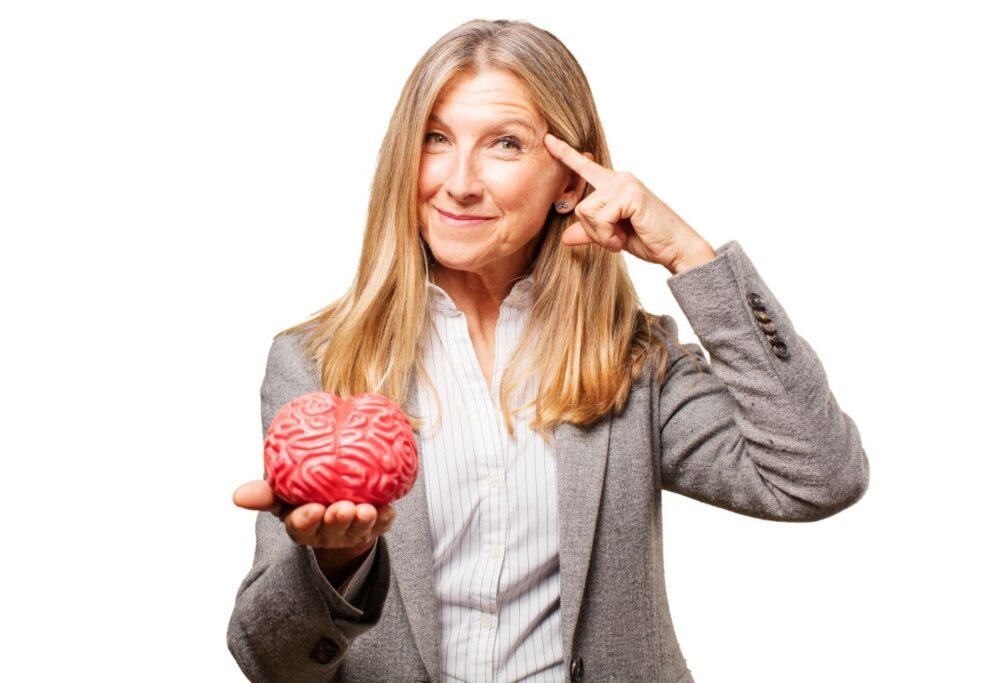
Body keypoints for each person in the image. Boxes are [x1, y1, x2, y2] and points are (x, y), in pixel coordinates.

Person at [227, 18, 869, 683]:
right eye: (436, 140)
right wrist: (336, 564)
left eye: (504, 144)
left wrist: (689, 255)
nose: (460, 181)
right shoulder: (317, 362)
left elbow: (818, 476)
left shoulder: (630, 362)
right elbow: (270, 661)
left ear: (569, 181)